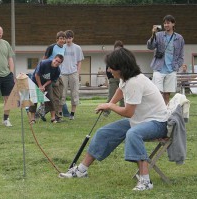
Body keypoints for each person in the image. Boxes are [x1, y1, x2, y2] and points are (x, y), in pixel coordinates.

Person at [59, 48, 168, 191]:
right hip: (140, 120)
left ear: (121, 67)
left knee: (133, 134)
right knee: (104, 132)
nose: (109, 70)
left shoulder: (135, 82)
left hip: (157, 123)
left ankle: (146, 181)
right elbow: (120, 90)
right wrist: (110, 103)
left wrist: (110, 106)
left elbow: (128, 112)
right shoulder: (126, 78)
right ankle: (81, 170)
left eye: (111, 67)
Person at [147, 14, 184, 104]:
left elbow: (181, 55)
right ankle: (158, 113)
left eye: (168, 23)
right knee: (158, 93)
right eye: (165, 23)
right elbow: (150, 46)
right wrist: (153, 34)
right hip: (159, 68)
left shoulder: (179, 38)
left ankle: (166, 113)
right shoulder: (159, 35)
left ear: (173, 24)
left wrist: (177, 65)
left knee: (167, 94)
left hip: (171, 69)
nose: (166, 25)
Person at [29, 54, 64, 124]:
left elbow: (51, 80)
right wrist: (40, 86)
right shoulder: (44, 63)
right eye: (56, 60)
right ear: (53, 59)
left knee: (50, 98)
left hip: (46, 83)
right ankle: (32, 119)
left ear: (60, 63)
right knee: (34, 100)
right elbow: (37, 75)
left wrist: (44, 86)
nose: (56, 63)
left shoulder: (57, 70)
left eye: (59, 62)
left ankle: (53, 118)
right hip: (35, 81)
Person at [59, 30, 84, 120]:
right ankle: (60, 113)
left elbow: (79, 61)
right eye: (67, 38)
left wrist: (78, 73)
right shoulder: (61, 47)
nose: (68, 40)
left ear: (73, 38)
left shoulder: (77, 48)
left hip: (73, 73)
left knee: (74, 93)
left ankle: (72, 114)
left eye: (70, 38)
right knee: (62, 94)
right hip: (63, 73)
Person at [42, 31, 66, 122]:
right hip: (50, 74)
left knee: (59, 95)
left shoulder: (64, 48)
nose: (62, 40)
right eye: (60, 38)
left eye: (64, 38)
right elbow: (44, 59)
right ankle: (55, 116)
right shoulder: (51, 47)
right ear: (57, 39)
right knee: (53, 96)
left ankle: (42, 111)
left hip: (58, 74)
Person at [103, 40, 125, 116]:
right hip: (112, 78)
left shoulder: (124, 57)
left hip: (121, 78)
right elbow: (107, 69)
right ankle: (106, 111)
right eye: (117, 48)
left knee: (123, 95)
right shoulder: (111, 56)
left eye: (120, 48)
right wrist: (110, 77)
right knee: (111, 95)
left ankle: (123, 110)